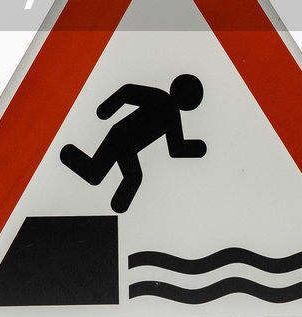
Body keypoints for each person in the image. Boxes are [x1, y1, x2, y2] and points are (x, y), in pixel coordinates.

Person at [59, 74, 206, 213]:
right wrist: (105, 110)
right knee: (97, 175)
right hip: (119, 137)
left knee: (131, 177)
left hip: (128, 147)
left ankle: (117, 208)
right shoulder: (162, 101)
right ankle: (66, 153)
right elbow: (128, 92)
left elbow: (176, 149)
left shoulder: (170, 112)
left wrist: (199, 148)